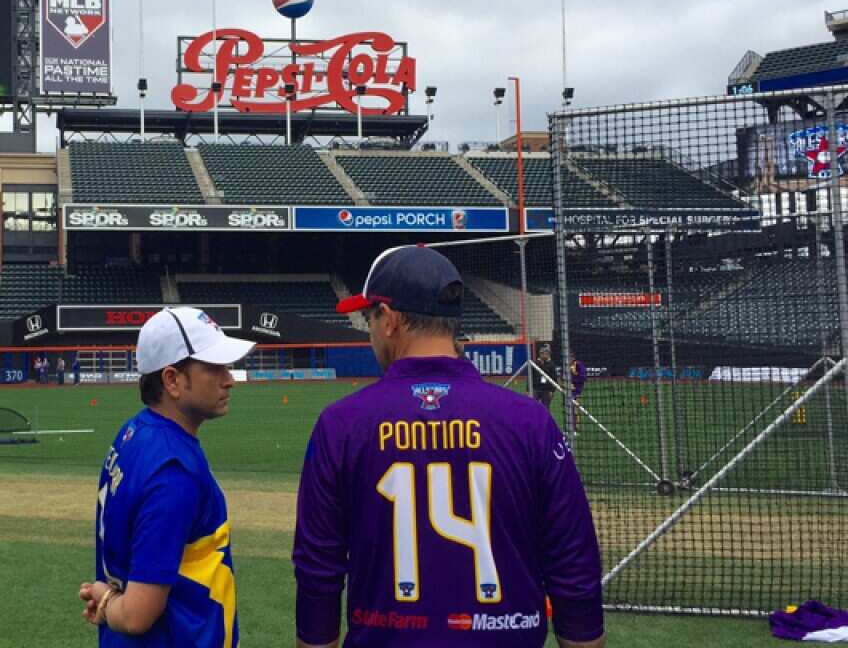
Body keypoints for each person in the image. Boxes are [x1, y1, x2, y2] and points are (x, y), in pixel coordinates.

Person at [292, 245, 605, 648]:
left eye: (368, 318)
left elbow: (318, 572)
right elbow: (574, 567)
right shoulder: (531, 422)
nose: (369, 331)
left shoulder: (340, 425)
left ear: (388, 320)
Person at [80, 306, 255, 647]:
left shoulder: (135, 431)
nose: (229, 379)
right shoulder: (173, 472)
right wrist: (105, 600)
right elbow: (136, 615)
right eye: (213, 367)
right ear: (172, 380)